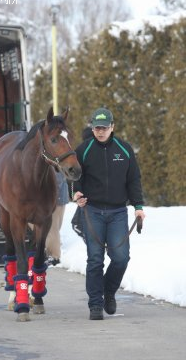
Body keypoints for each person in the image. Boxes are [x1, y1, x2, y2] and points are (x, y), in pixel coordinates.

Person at [73, 107, 145, 320]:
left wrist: (138, 207)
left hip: (118, 212)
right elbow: (75, 176)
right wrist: (76, 192)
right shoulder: (83, 150)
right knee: (95, 259)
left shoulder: (124, 149)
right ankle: (95, 304)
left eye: (104, 127)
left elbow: (134, 179)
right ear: (92, 128)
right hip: (92, 211)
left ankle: (108, 292)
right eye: (97, 127)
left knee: (121, 258)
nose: (100, 131)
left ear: (112, 127)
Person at [45, 170, 69, 266]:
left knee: (52, 228)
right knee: (53, 228)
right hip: (56, 198)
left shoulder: (55, 161)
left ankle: (54, 256)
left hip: (56, 199)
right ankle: (51, 252)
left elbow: (57, 179)